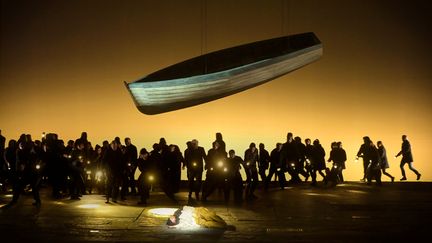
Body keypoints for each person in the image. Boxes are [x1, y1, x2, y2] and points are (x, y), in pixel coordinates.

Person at [166, 206, 235, 230]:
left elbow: (185, 207)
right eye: (173, 221)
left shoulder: (177, 212)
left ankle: (223, 222)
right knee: (209, 224)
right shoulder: (178, 222)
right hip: (196, 220)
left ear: (170, 217)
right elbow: (177, 225)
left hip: (196, 211)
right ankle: (224, 226)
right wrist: (172, 226)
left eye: (171, 218)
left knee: (209, 215)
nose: (173, 219)